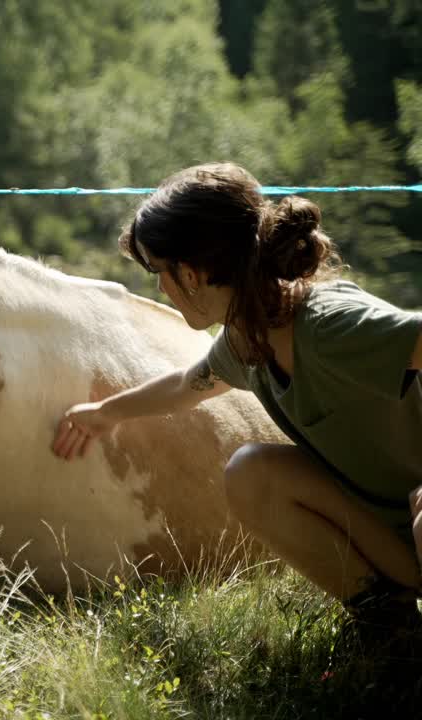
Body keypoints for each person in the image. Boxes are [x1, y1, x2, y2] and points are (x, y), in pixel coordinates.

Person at [51, 162, 422, 634]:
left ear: (190, 272)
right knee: (251, 472)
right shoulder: (246, 343)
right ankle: (388, 623)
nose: (160, 287)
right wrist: (105, 413)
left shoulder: (329, 324)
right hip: (392, 527)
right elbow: (187, 384)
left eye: (157, 272)